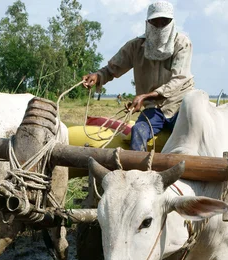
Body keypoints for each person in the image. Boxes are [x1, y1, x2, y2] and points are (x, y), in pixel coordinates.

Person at [82, 1, 194, 151]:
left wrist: (144, 96)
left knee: (193, 134)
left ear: (172, 23)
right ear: (148, 23)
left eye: (164, 22)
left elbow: (179, 80)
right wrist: (98, 75)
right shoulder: (136, 46)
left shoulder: (182, 43)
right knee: (138, 131)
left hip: (179, 105)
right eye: (155, 22)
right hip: (153, 109)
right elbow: (112, 69)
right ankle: (138, 173)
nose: (160, 26)